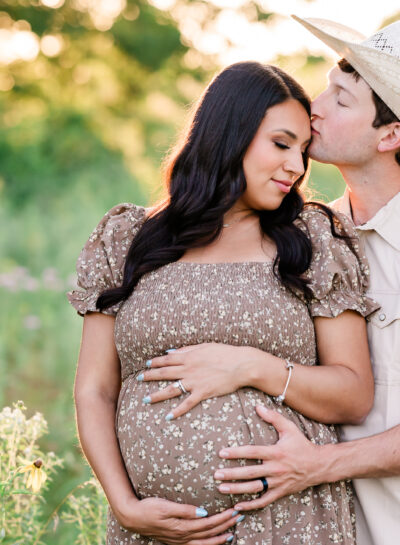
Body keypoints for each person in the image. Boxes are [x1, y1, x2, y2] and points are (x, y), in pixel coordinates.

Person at [68, 61, 378, 545]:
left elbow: (354, 393)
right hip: (153, 532)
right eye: (281, 144)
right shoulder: (127, 238)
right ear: (228, 134)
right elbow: (94, 391)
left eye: (302, 152)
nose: (296, 167)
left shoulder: (312, 243)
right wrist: (125, 506)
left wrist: (252, 366)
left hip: (287, 522)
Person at [212, 17, 400, 545]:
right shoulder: (305, 237)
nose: (315, 105)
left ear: (391, 134)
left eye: (342, 100)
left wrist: (316, 465)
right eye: (327, 86)